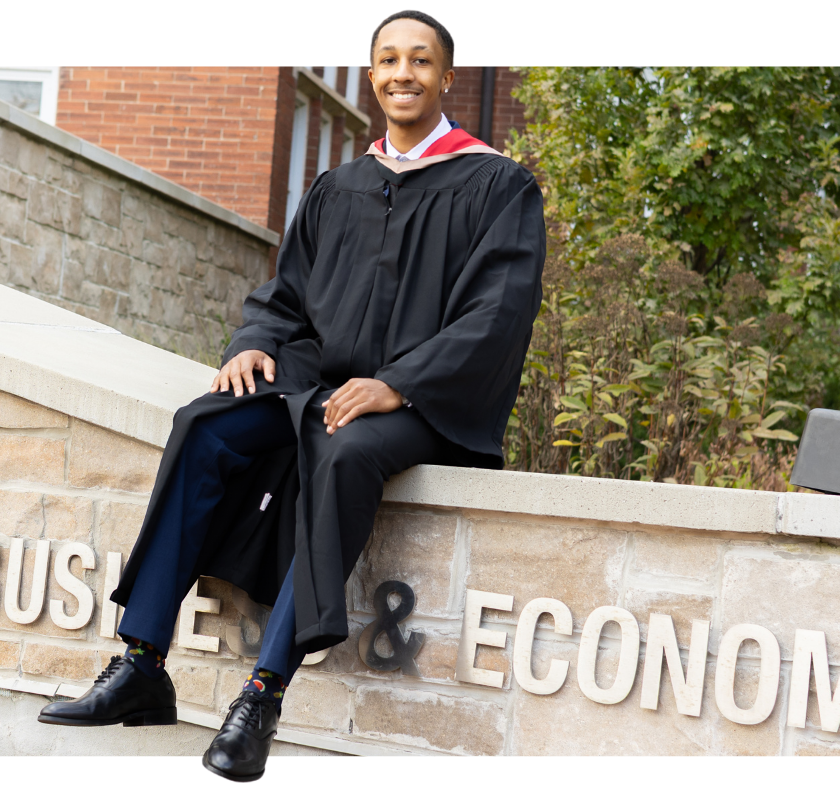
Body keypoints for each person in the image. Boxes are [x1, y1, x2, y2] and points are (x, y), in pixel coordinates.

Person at [37, 9, 546, 781]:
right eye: (386, 60)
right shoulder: (340, 184)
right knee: (206, 425)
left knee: (344, 451)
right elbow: (286, 296)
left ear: (447, 77)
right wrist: (251, 345)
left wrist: (398, 386)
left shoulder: (495, 185)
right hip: (322, 385)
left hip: (425, 407)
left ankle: (262, 698)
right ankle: (141, 661)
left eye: (420, 61)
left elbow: (498, 313)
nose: (401, 73)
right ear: (372, 75)